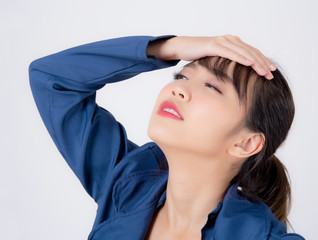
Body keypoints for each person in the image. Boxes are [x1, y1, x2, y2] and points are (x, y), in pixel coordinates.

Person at [28, 35, 305, 240]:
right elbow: (52, 79)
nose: (177, 89)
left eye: (211, 86)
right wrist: (168, 47)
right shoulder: (126, 183)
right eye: (182, 76)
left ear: (246, 143)